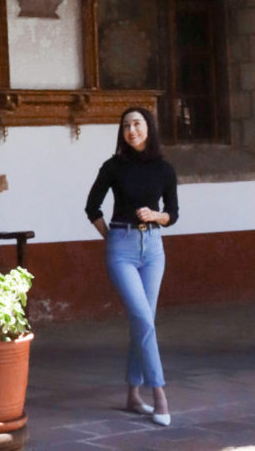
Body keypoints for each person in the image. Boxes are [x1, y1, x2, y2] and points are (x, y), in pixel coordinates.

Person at [85, 106, 178, 427]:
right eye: (126, 125)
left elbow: (173, 214)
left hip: (153, 248)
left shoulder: (164, 169)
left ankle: (132, 394)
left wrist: (155, 216)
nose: (132, 130)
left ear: (148, 128)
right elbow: (91, 206)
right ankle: (159, 394)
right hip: (121, 248)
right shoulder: (113, 166)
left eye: (137, 124)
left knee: (145, 321)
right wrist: (110, 237)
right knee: (142, 318)